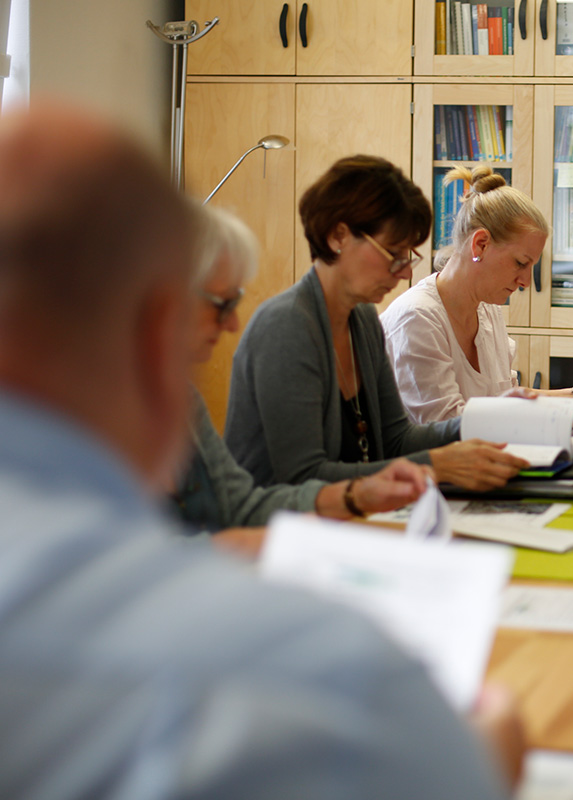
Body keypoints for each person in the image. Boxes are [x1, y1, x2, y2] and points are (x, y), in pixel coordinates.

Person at [0, 104, 517, 797]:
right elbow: (447, 768)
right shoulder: (332, 675)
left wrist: (476, 430)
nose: (232, 324)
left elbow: (256, 494)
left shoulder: (359, 326)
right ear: (156, 325)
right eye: (218, 304)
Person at [224, 155, 528, 492]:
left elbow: (395, 438)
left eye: (408, 256)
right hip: (276, 533)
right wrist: (437, 464)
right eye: (393, 254)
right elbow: (303, 477)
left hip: (349, 519)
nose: (405, 272)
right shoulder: (285, 327)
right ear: (338, 236)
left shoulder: (362, 318)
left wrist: (491, 417)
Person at [176, 205, 433, 556]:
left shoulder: (178, 397)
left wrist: (355, 496)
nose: (233, 324)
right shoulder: (286, 326)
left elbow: (241, 506)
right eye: (223, 304)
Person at [380, 165, 573, 427]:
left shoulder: (486, 310)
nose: (525, 281)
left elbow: (504, 400)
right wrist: (563, 413)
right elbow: (446, 426)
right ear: (481, 244)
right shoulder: (416, 318)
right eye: (520, 263)